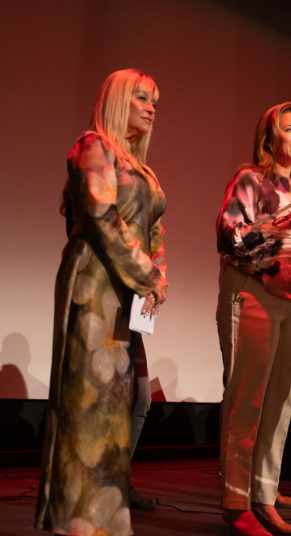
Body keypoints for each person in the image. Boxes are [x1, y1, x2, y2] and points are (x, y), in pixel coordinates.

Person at [35, 69, 169, 535]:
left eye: (155, 101)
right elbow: (102, 214)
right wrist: (148, 273)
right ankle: (77, 519)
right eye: (141, 98)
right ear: (117, 100)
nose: (152, 107)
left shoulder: (140, 165)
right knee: (87, 404)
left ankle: (106, 519)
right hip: (93, 284)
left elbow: (152, 228)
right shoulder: (92, 146)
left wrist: (158, 275)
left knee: (115, 406)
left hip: (125, 290)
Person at [216, 102, 291, 536]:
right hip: (253, 292)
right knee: (248, 400)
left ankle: (264, 497)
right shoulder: (250, 179)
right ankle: (235, 502)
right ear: (270, 137)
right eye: (290, 129)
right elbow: (229, 237)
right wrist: (280, 223)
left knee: (281, 405)